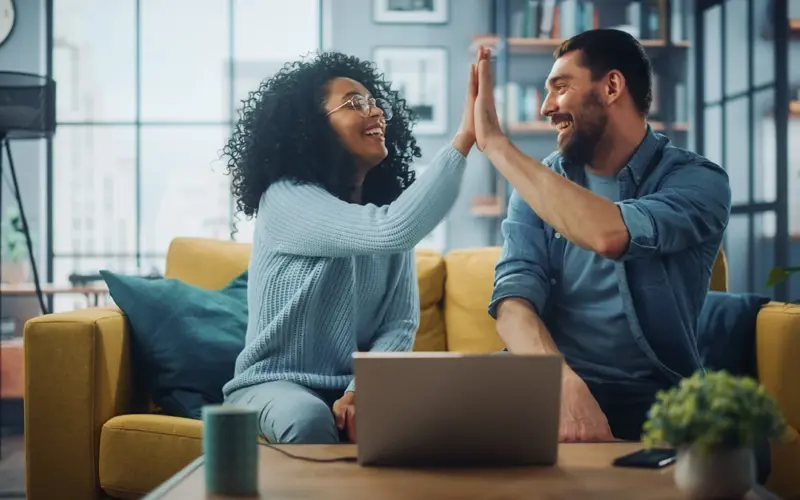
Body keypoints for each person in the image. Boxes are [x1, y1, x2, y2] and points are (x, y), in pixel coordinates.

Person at [474, 30, 733, 443]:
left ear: (611, 86)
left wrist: (496, 145)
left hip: (655, 397)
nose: (546, 107)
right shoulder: (540, 184)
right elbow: (513, 301)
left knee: (736, 454)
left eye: (560, 87)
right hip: (550, 381)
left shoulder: (697, 181)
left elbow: (610, 234)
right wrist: (560, 383)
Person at [221, 51, 478, 444]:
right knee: (307, 417)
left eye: (376, 103)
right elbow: (391, 230)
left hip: (352, 387)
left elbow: (399, 325)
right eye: (356, 103)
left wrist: (362, 390)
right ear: (311, 127)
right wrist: (465, 139)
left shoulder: (382, 215)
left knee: (455, 414)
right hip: (271, 385)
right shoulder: (286, 199)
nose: (376, 113)